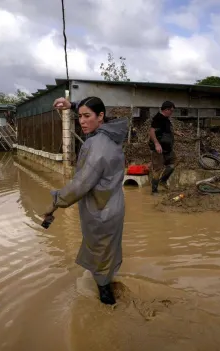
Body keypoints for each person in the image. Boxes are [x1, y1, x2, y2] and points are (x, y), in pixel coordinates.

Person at [44, 96, 128, 305]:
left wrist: (55, 202)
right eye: (79, 116)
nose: (81, 121)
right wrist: (71, 105)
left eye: (86, 116)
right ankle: (106, 285)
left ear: (101, 117)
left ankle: (106, 308)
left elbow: (79, 185)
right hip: (113, 205)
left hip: (101, 212)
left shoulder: (95, 146)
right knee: (107, 252)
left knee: (100, 255)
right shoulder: (112, 135)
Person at [148, 101, 182, 194]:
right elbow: (151, 131)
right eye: (171, 110)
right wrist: (156, 144)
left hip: (168, 149)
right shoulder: (158, 118)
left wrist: (176, 133)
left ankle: (163, 180)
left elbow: (166, 130)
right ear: (166, 109)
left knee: (174, 162)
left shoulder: (166, 119)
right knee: (158, 169)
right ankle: (154, 191)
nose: (172, 112)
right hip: (159, 148)